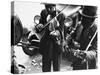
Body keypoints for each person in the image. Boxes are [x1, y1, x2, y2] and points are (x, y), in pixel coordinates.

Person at [35, 3, 65, 72]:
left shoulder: (61, 15)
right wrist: (39, 26)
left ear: (55, 6)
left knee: (56, 67)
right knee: (45, 67)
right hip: (46, 43)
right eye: (46, 7)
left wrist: (57, 32)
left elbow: (62, 31)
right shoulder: (44, 12)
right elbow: (40, 25)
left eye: (50, 7)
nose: (48, 9)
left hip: (56, 44)